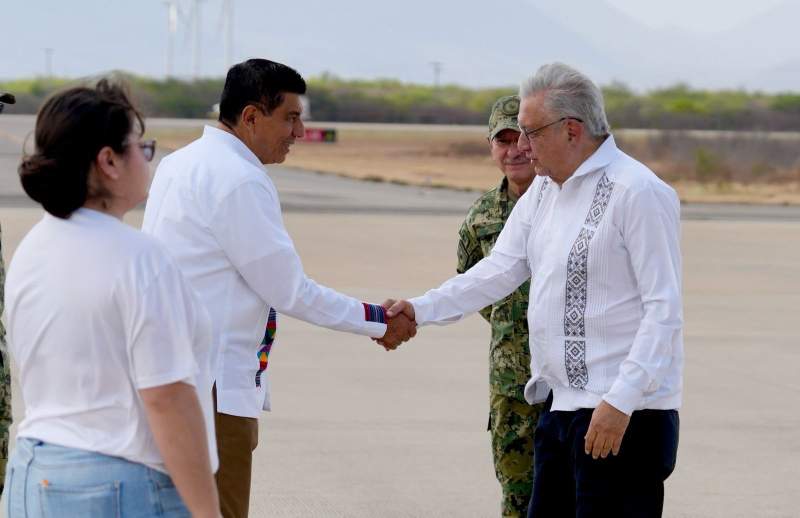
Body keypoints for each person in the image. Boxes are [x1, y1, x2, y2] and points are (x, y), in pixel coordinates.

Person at [384, 63, 683, 518]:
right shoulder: (544, 192)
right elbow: (496, 271)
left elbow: (664, 308)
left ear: (571, 130)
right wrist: (419, 310)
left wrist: (620, 402)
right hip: (558, 411)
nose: (521, 147)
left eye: (530, 133)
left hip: (623, 417)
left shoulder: (637, 192)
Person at [142, 58, 416, 518]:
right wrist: (378, 320)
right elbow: (291, 291)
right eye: (290, 117)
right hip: (212, 389)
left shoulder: (180, 162)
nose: (300, 131)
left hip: (172, 377)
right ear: (251, 117)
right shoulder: (240, 179)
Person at [3, 80, 220, 517]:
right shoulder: (140, 257)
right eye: (141, 146)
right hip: (119, 484)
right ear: (108, 161)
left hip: (33, 473)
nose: (147, 156)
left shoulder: (34, 246)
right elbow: (167, 397)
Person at [457, 95, 542, 517]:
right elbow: (471, 284)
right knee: (516, 495)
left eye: (523, 138)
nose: (514, 150)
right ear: (491, 146)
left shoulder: (566, 203)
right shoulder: (481, 217)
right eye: (503, 140)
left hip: (570, 381)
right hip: (511, 386)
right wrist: (514, 324)